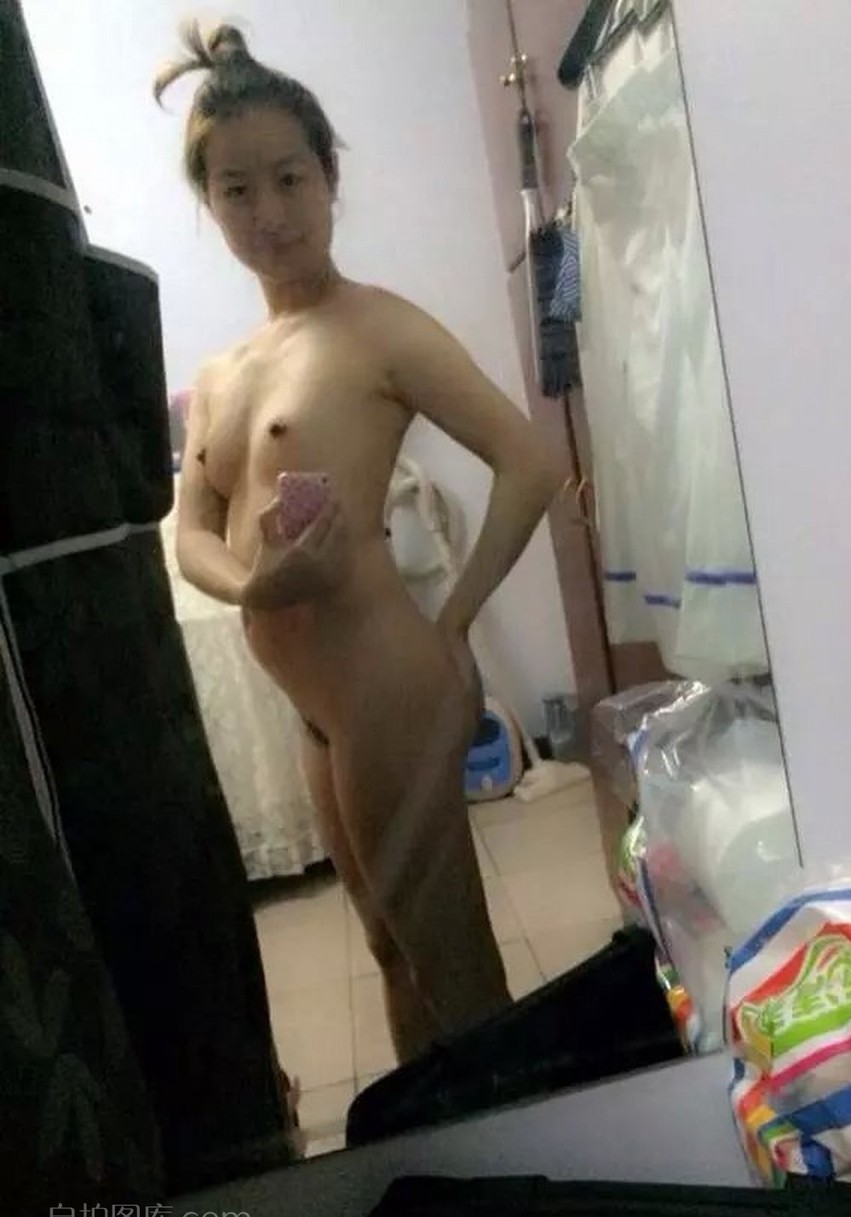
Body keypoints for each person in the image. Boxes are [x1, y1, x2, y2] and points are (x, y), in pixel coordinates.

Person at [155, 22, 566, 1067]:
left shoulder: (379, 328)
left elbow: (529, 461)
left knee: (449, 957)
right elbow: (191, 531)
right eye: (237, 189)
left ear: (329, 178)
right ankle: (436, 1140)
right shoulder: (222, 374)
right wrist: (256, 585)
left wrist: (454, 622)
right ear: (209, 204)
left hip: (388, 683)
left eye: (291, 178)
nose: (270, 211)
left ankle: (512, 1146)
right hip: (315, 706)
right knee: (389, 949)